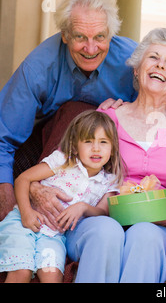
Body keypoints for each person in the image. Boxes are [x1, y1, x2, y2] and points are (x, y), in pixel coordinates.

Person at [32, 28, 166, 282]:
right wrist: (34, 187)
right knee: (106, 230)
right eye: (153, 57)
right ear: (136, 68)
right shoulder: (107, 118)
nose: (160, 66)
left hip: (156, 227)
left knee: (145, 235)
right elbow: (59, 164)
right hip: (93, 220)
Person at [0, 0, 137, 221]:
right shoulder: (38, 67)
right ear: (65, 35)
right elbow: (3, 138)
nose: (91, 49)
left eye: (100, 37)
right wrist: (9, 200)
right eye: (80, 37)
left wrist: (125, 111)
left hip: (107, 159)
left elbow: (156, 112)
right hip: (43, 151)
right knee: (76, 111)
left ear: (112, 34)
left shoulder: (134, 61)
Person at [0, 110, 123, 283]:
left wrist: (83, 207)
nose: (96, 148)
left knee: (52, 276)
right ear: (74, 144)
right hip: (22, 224)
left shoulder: (109, 181)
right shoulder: (63, 160)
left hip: (54, 236)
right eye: (88, 141)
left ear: (113, 147)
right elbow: (23, 179)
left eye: (103, 142)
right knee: (22, 272)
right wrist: (26, 213)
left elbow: (103, 212)